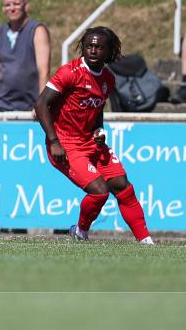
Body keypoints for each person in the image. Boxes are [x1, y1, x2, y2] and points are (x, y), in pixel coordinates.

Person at [34, 26, 154, 244]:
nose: (93, 50)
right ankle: (81, 232)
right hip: (65, 143)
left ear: (109, 51)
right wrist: (54, 141)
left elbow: (97, 109)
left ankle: (146, 241)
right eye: (89, 46)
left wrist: (100, 130)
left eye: (99, 47)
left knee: (123, 186)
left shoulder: (108, 78)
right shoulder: (70, 72)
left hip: (91, 142)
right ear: (83, 47)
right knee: (99, 192)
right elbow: (41, 104)